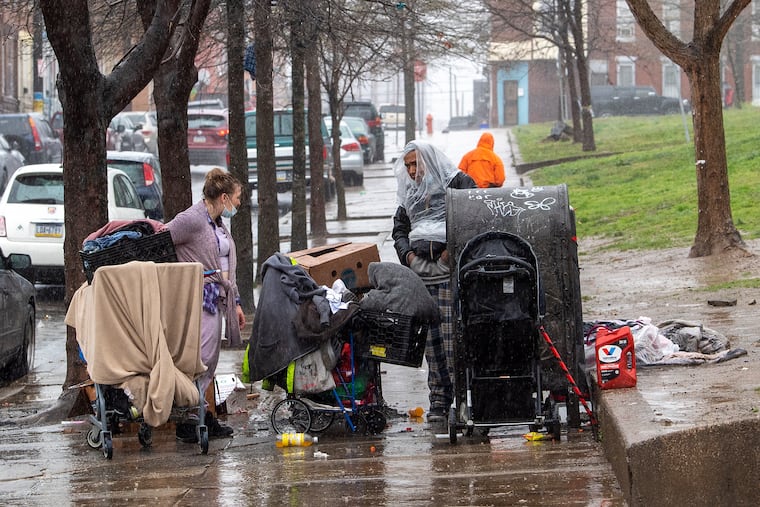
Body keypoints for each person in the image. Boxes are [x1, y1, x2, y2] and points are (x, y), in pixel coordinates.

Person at [391, 140, 476, 423]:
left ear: (429, 160)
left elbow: (474, 216)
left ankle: (463, 398)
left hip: (449, 275)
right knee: (431, 342)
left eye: (416, 164)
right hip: (421, 275)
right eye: (408, 166)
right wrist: (409, 258)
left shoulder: (458, 183)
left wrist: (451, 254)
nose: (413, 171)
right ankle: (439, 400)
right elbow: (400, 229)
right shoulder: (411, 192)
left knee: (454, 341)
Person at [162, 168, 246, 442]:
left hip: (217, 297)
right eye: (237, 198)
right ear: (223, 198)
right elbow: (163, 239)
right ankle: (191, 417)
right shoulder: (193, 220)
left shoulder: (216, 223)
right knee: (201, 358)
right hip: (200, 297)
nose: (238, 204)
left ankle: (200, 414)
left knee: (209, 359)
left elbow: (225, 265)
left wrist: (236, 303)